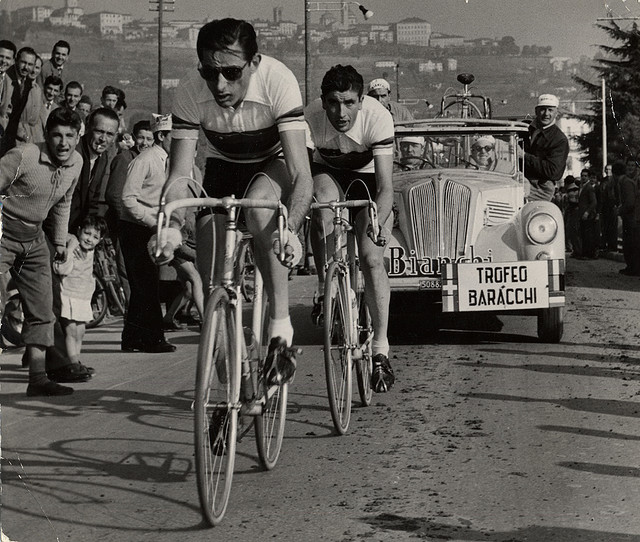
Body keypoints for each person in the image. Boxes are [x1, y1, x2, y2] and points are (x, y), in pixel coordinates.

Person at [306, 64, 395, 393]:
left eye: (348, 103)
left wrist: (376, 224)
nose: (340, 112)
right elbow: (302, 178)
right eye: (332, 103)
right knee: (321, 208)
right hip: (328, 170)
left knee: (372, 257)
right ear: (322, 101)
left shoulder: (378, 117)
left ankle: (381, 349)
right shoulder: (309, 117)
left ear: (361, 101)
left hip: (369, 175)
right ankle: (324, 287)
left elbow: (386, 188)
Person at [0, 107, 84, 396]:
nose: (63, 143)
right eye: (57, 135)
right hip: (3, 231)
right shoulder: (24, 155)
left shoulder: (76, 163)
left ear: (77, 137)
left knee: (42, 309)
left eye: (70, 136)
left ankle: (37, 378)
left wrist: (59, 242)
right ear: (47, 135)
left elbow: (63, 203)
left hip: (34, 238)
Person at [119, 113, 176, 353]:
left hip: (153, 227)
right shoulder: (146, 160)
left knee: (145, 284)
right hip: (135, 227)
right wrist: (152, 221)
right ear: (162, 136)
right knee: (146, 285)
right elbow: (127, 198)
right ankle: (153, 339)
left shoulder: (170, 161)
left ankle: (132, 338)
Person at [53, 216, 107, 366]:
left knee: (81, 332)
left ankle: (76, 360)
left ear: (100, 240)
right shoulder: (73, 247)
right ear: (79, 231)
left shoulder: (91, 251)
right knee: (71, 331)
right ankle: (73, 362)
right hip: (68, 295)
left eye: (95, 236)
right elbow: (60, 268)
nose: (90, 239)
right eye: (87, 233)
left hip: (82, 298)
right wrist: (70, 248)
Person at [68, 106, 119, 232]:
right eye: (99, 131)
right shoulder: (72, 152)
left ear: (115, 137)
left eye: (109, 134)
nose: (103, 139)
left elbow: (93, 200)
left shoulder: (103, 158)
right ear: (88, 127)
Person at [523, 94, 569, 201]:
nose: (546, 114)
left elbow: (553, 172)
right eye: (543, 109)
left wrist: (524, 156)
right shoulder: (524, 130)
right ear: (536, 111)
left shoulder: (559, 139)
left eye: (550, 110)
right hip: (519, 181)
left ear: (556, 112)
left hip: (540, 189)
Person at [3, 47, 43, 152]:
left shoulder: (27, 83)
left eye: (30, 64)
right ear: (16, 60)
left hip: (10, 139)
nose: (26, 67)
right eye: (23, 62)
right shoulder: (5, 78)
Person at [618, 159, 640, 275]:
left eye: (633, 165)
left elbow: (631, 201)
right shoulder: (629, 180)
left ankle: (634, 268)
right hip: (632, 215)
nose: (631, 168)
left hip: (635, 215)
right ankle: (631, 266)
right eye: (629, 165)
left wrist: (621, 209)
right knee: (630, 242)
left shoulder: (634, 180)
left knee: (634, 243)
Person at [577, 168, 599, 259]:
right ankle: (585, 253)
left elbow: (594, 202)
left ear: (589, 177)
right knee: (584, 235)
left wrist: (587, 212)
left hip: (588, 215)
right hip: (582, 214)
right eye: (582, 176)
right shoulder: (582, 187)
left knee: (588, 235)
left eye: (585, 176)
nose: (583, 177)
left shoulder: (589, 187)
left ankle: (589, 254)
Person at [0, 40, 16, 136]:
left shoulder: (9, 82)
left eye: (7, 58)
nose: (3, 61)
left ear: (13, 61)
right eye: (1, 56)